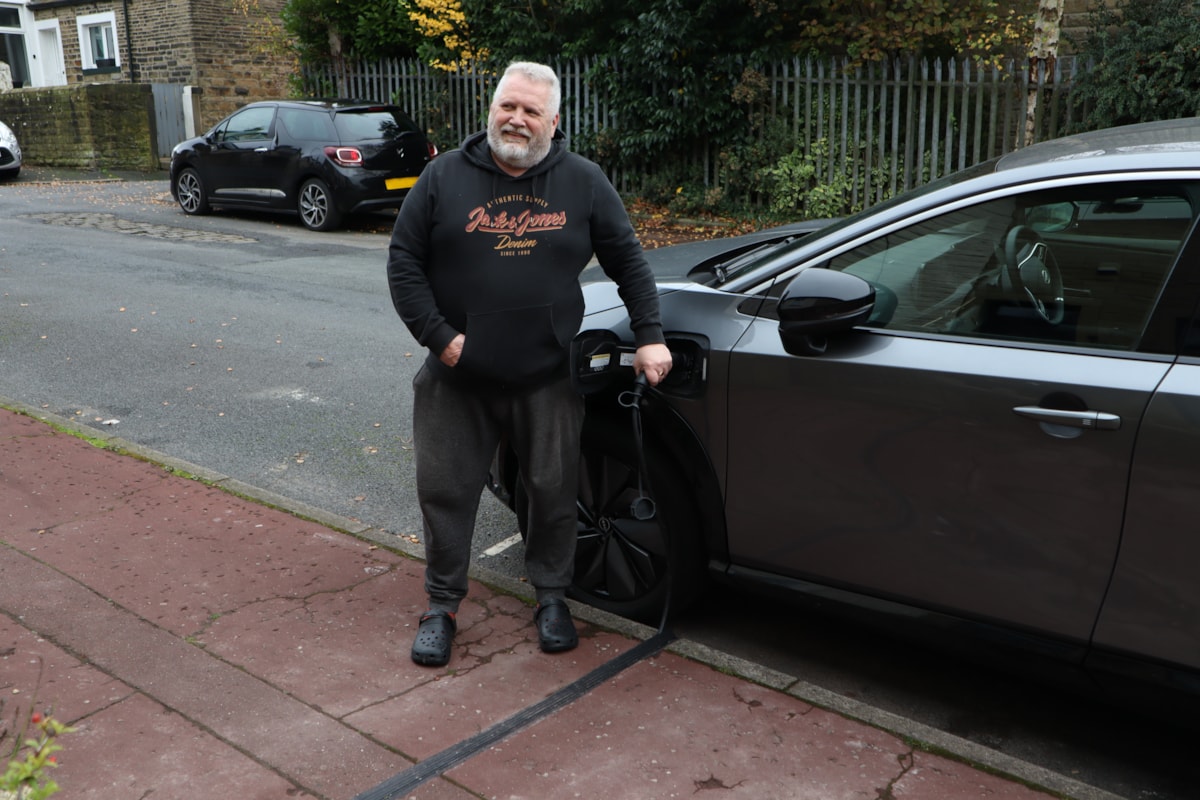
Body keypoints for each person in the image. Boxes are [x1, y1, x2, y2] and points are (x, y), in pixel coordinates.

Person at [387, 61, 673, 667]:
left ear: (554, 120)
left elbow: (630, 262)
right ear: (491, 109)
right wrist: (441, 339)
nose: (516, 119)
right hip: (456, 377)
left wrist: (649, 336)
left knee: (551, 491)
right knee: (445, 492)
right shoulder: (442, 177)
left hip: (546, 378)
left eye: (531, 111)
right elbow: (403, 263)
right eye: (507, 107)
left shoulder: (584, 182)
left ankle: (551, 597)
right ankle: (442, 606)